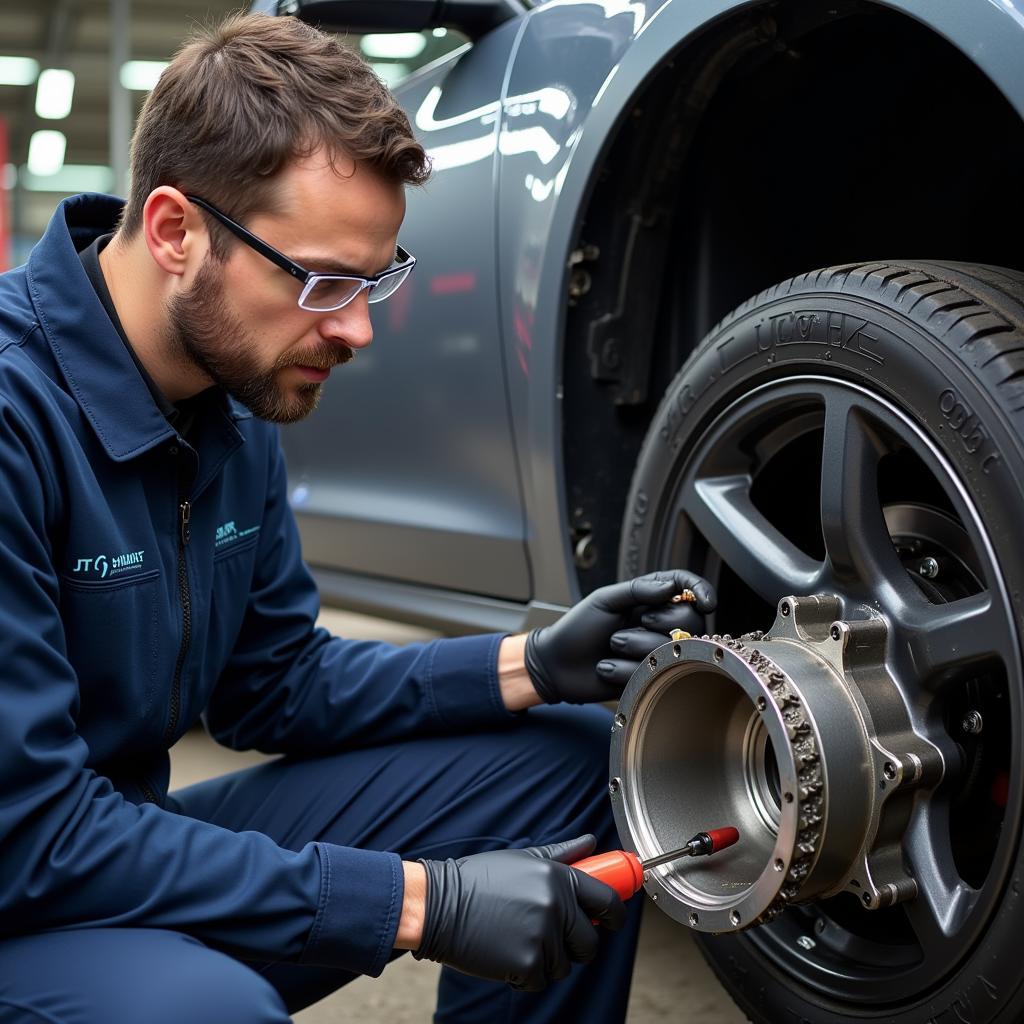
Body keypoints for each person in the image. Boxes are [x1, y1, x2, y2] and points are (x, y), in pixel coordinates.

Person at [0, 14, 715, 1024]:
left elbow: (273, 687)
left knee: (567, 761)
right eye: (325, 282)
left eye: (374, 279)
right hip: (25, 885)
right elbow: (30, 836)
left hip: (114, 850)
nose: (356, 327)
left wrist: (531, 664)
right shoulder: (13, 417)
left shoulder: (226, 396)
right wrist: (419, 902)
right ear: (174, 232)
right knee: (206, 1008)